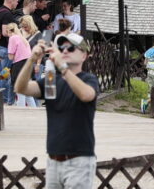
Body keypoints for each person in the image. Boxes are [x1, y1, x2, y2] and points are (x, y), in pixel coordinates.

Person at [13, 33, 99, 189]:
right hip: (54, 159)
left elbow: (86, 95)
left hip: (79, 159)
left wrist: (63, 68)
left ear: (84, 55)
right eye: (61, 48)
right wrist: (32, 59)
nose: (65, 51)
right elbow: (20, 88)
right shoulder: (52, 82)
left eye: (71, 48)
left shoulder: (88, 79)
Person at [0, 0, 19, 105]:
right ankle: (4, 99)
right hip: (5, 48)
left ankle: (0, 98)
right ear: (11, 0)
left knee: (0, 74)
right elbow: (4, 32)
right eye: (16, 1)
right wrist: (17, 35)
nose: (17, 3)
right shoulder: (7, 14)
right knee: (5, 74)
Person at [7, 23, 36, 107]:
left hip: (19, 65)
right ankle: (35, 111)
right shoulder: (23, 38)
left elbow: (10, 57)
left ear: (9, 31)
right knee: (27, 94)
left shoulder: (12, 38)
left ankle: (20, 112)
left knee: (20, 93)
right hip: (28, 65)